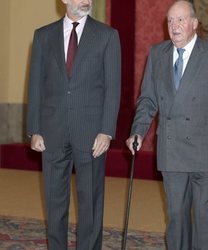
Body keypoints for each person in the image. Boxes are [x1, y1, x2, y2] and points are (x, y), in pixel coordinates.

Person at [126, 1, 208, 249]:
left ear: (195, 24)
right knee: (176, 216)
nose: (174, 26)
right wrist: (138, 131)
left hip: (206, 152)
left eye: (180, 20)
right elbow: (147, 100)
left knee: (202, 216)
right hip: (172, 150)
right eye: (170, 20)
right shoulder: (157, 54)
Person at [27, 0, 121, 249]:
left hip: (92, 134)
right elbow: (35, 84)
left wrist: (107, 131)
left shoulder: (107, 36)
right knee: (54, 203)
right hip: (52, 132)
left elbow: (113, 88)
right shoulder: (43, 36)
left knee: (90, 203)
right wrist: (35, 129)